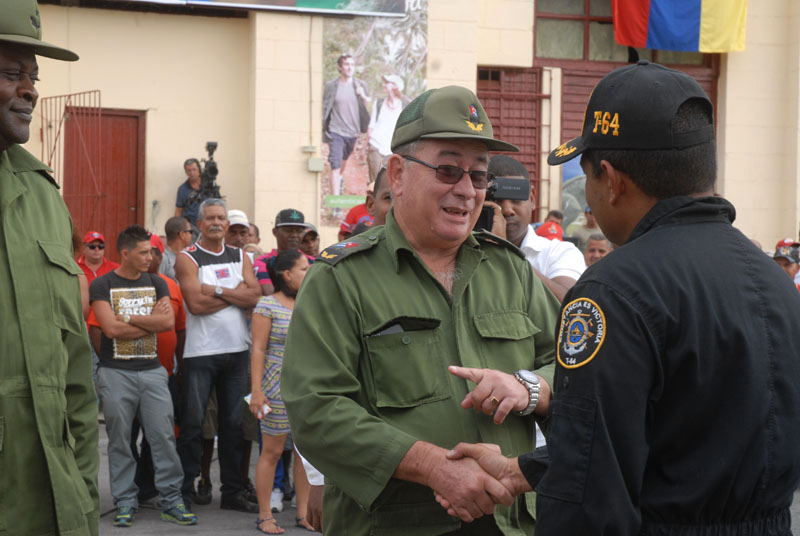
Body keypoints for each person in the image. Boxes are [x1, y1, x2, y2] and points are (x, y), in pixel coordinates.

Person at [437, 61, 800, 536]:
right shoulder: (774, 281)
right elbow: (682, 439)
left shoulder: (613, 292)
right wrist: (524, 469)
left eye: (587, 178)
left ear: (610, 179)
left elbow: (592, 489)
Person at [282, 85, 560, 535]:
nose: (466, 190)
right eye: (448, 170)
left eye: (479, 176)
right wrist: (433, 467)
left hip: (511, 522)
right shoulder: (340, 278)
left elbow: (576, 369)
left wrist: (529, 387)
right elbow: (316, 409)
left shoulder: (511, 271)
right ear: (397, 173)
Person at [0, 3, 100, 534]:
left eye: (33, 77)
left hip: (54, 504)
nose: (30, 91)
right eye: (10, 73)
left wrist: (83, 495)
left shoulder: (44, 196)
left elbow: (74, 369)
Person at [89, 225, 196, 527]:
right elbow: (109, 329)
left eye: (151, 252)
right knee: (120, 441)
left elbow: (167, 323)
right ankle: (125, 501)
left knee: (163, 437)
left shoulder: (157, 282)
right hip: (115, 373)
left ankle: (172, 500)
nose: (151, 257)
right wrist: (148, 321)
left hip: (152, 372)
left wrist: (125, 316)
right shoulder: (102, 285)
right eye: (144, 252)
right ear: (125, 253)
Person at [175, 198, 262, 512]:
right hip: (200, 353)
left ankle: (232, 493)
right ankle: (184, 492)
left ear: (227, 223)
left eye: (221, 218)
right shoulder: (187, 257)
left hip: (237, 351)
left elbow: (255, 296)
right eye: (210, 218)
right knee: (193, 426)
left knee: (233, 426)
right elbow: (196, 305)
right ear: (199, 224)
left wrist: (216, 289)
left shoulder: (240, 255)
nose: (216, 223)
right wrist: (237, 293)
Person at [249, 250, 315, 534]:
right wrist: (256, 391)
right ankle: (265, 515)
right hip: (275, 388)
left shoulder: (310, 303)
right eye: (303, 269)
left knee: (304, 453)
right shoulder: (267, 305)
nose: (309, 273)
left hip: (307, 388)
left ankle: (303, 513)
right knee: (272, 452)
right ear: (287, 274)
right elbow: (258, 349)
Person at [486, 154, 584, 302]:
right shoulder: (458, 251)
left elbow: (567, 304)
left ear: (532, 198)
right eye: (496, 200)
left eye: (516, 199)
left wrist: (505, 252)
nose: (507, 210)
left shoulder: (558, 253)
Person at [323, 53, 370, 196]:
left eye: (352, 65)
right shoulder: (331, 86)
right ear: (340, 67)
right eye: (346, 64)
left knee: (343, 161)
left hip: (353, 132)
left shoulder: (361, 85)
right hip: (335, 131)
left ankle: (339, 179)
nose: (350, 67)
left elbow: (367, 104)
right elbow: (325, 107)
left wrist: (362, 95)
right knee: (335, 164)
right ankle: (335, 203)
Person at [254, 209, 314, 295]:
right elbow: (270, 293)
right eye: (288, 230)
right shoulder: (263, 262)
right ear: (275, 232)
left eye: (299, 231)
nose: (294, 235)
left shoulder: (313, 262)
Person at [367, 74, 408, 182]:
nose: (384, 85)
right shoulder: (379, 103)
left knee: (390, 184)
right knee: (375, 183)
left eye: (387, 83)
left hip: (393, 151)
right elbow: (371, 126)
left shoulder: (404, 106)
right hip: (375, 147)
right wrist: (367, 145)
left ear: (395, 86)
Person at [159, 216, 193, 281]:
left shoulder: (189, 256)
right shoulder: (163, 259)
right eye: (190, 232)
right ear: (182, 234)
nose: (191, 235)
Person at [175, 158, 203, 228]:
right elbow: (178, 211)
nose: (192, 173)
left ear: (199, 170)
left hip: (208, 224)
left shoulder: (209, 185)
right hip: (191, 227)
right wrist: (176, 228)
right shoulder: (182, 189)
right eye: (189, 170)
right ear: (186, 173)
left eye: (194, 169)